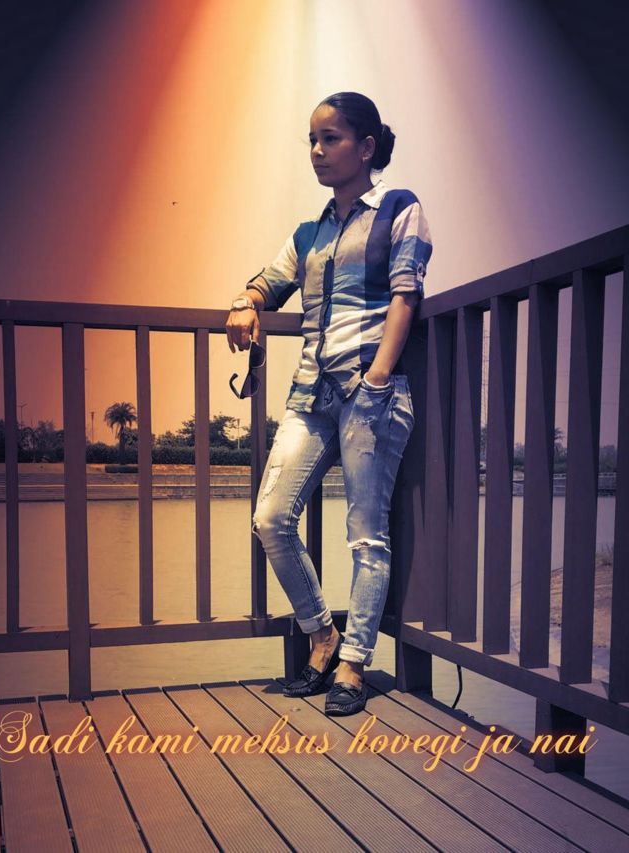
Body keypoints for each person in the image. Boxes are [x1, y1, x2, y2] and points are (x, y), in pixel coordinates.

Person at [225, 92, 433, 716]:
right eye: (312, 140)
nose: (317, 151)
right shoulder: (308, 233)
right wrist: (245, 302)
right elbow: (268, 282)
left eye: (331, 139)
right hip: (310, 395)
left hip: (372, 392)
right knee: (271, 519)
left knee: (367, 536)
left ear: (366, 147)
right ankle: (322, 635)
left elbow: (405, 295)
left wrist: (378, 377)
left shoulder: (399, 209)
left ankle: (353, 663)